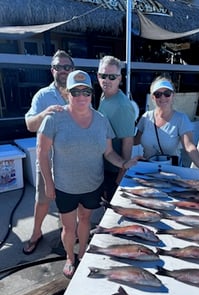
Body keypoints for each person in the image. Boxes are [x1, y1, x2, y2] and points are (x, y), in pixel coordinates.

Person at [37, 70, 140, 278]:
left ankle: (82, 253)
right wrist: (48, 183)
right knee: (68, 227)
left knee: (85, 220)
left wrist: (124, 163)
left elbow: (109, 152)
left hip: (93, 184)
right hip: (65, 186)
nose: (82, 96)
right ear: (67, 93)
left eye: (86, 91)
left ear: (92, 94)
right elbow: (42, 151)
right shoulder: (54, 118)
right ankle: (69, 257)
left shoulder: (101, 120)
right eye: (76, 91)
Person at [23, 50, 75, 254]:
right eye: (59, 67)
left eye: (67, 67)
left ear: (73, 69)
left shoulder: (79, 92)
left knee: (68, 203)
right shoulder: (43, 95)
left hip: (71, 163)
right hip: (48, 161)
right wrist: (44, 114)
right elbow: (29, 124)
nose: (63, 70)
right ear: (52, 69)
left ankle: (67, 233)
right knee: (43, 201)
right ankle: (36, 233)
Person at [134, 75, 199, 176]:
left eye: (167, 93)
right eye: (158, 94)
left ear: (173, 96)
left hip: (172, 172)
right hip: (149, 171)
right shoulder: (146, 117)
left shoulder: (181, 119)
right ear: (152, 97)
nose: (163, 97)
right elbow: (134, 141)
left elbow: (189, 146)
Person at [97, 55, 136, 201]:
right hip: (103, 166)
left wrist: (120, 177)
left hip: (114, 170)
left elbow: (128, 141)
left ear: (120, 79)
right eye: (103, 76)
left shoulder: (122, 106)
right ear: (98, 76)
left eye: (112, 77)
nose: (107, 80)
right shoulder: (105, 96)